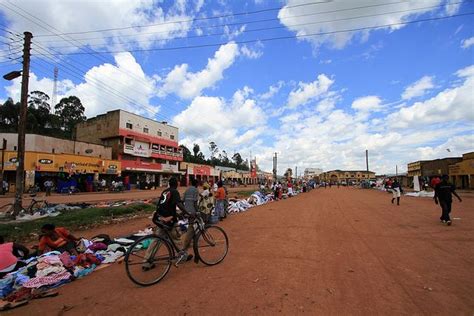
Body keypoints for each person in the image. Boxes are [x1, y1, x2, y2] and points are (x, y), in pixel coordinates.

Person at [145, 177, 192, 270]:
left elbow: (168, 206)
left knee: (156, 240)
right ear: (176, 184)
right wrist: (187, 213)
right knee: (176, 237)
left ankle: (147, 262)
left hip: (160, 218)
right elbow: (179, 204)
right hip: (169, 220)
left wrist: (178, 215)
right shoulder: (174, 192)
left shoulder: (165, 191)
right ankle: (183, 256)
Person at [182, 179, 199, 252]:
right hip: (192, 212)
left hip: (186, 210)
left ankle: (193, 239)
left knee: (191, 225)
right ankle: (186, 245)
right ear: (197, 184)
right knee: (191, 227)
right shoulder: (196, 190)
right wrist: (197, 211)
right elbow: (195, 203)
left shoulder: (187, 189)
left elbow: (183, 200)